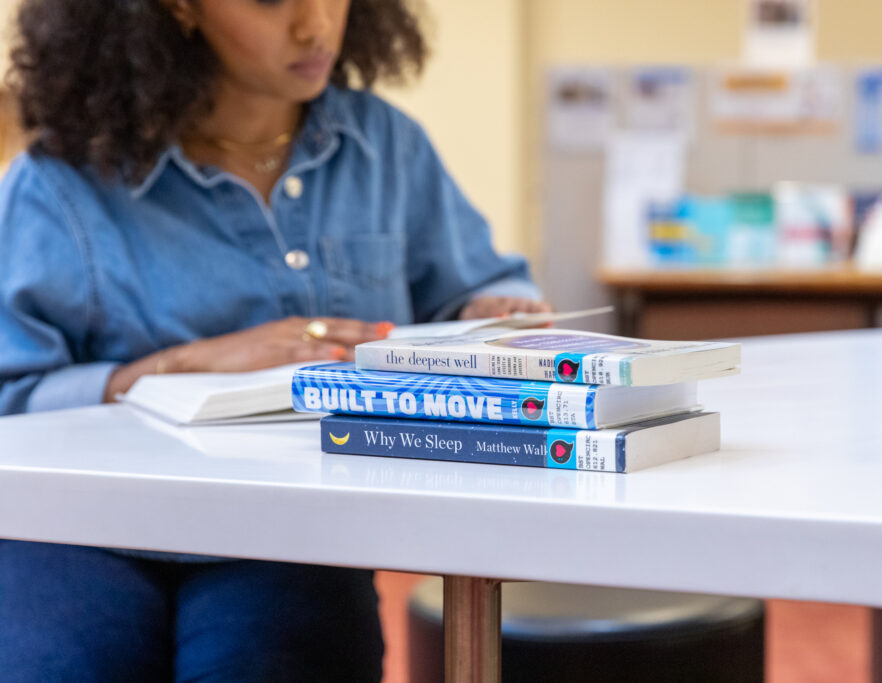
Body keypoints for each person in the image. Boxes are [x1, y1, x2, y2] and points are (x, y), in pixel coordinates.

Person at [0, 0, 548, 679]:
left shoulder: (387, 147)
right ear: (179, 9)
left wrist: (493, 313)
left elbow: (475, 290)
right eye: (270, 0)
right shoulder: (60, 182)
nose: (314, 25)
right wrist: (181, 366)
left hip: (288, 531)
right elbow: (11, 394)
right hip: (82, 532)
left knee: (274, 657)